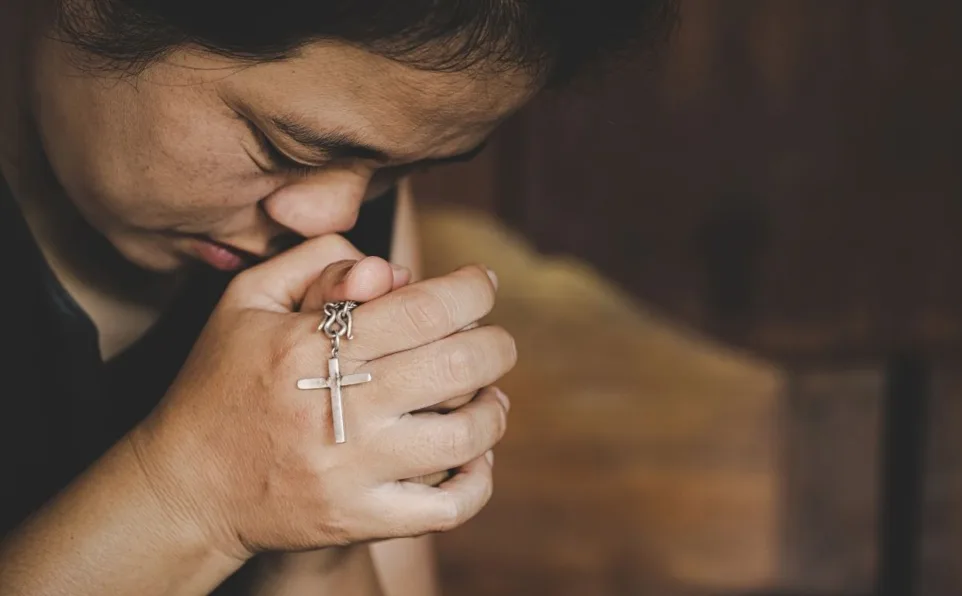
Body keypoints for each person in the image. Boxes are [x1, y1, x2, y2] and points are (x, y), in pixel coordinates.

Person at [0, 0, 676, 594]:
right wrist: (196, 496)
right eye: (282, 149)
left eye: (405, 169)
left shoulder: (341, 230)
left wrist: (318, 531)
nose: (333, 222)